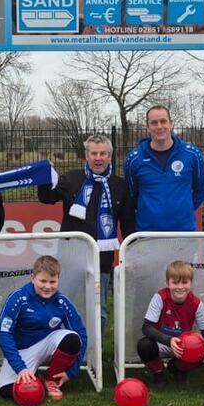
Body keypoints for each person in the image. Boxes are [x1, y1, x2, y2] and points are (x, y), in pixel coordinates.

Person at [37, 134, 135, 326]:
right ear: (86, 155)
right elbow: (47, 198)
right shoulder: (70, 179)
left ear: (109, 156)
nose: (98, 158)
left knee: (100, 308)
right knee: (63, 302)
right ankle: (64, 347)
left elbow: (128, 222)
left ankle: (95, 353)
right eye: (94, 153)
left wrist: (132, 251)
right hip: (70, 254)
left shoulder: (120, 186)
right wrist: (43, 177)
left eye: (103, 154)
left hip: (102, 257)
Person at [0, 254, 87, 402]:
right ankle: (33, 374)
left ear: (58, 280)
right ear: (33, 277)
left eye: (52, 281)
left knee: (72, 339)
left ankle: (51, 379)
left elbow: (81, 334)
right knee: (8, 391)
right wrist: (20, 368)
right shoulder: (18, 298)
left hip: (48, 345)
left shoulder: (62, 302)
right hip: (22, 351)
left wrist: (71, 372)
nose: (47, 286)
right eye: (42, 281)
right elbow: (3, 334)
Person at [124, 104, 204, 232]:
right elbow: (132, 195)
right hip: (147, 234)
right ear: (147, 127)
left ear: (171, 123)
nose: (159, 126)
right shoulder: (134, 159)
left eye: (163, 121)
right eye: (154, 123)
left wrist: (182, 211)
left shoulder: (193, 155)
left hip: (184, 233)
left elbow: (201, 191)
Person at [136, 259, 204, 384]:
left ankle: (177, 368)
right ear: (167, 283)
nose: (180, 287)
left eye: (184, 282)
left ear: (191, 283)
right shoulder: (160, 297)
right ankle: (159, 371)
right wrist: (169, 340)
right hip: (162, 342)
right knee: (144, 345)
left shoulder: (196, 303)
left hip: (186, 346)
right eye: (175, 283)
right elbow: (147, 327)